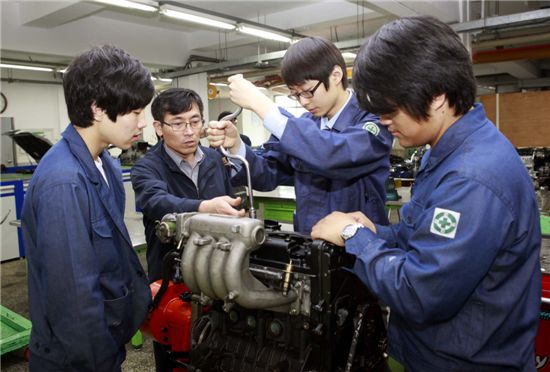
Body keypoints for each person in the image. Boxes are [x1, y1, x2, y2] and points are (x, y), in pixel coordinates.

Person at [312, 16, 541, 371]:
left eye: (390, 110)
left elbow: (420, 293)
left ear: (436, 98)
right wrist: (376, 232)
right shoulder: (443, 151)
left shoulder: (473, 178)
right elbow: (421, 238)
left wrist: (353, 236)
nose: (384, 122)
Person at [21, 45, 154, 371]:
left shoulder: (103, 164)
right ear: (97, 109)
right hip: (79, 357)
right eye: (135, 112)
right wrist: (101, 358)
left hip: (105, 340)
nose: (144, 123)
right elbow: (72, 300)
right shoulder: (64, 182)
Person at [208, 36, 393, 234]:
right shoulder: (304, 125)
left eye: (308, 92)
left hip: (360, 251)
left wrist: (261, 105)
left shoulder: (374, 120)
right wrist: (236, 146)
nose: (303, 102)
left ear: (336, 75)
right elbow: (268, 174)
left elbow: (333, 154)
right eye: (295, 94)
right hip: (308, 242)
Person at [130, 88, 245, 371]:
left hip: (217, 276)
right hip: (172, 281)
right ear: (158, 127)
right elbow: (156, 201)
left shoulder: (216, 159)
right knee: (175, 358)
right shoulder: (147, 168)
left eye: (195, 121)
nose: (189, 131)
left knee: (221, 352)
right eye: (178, 123)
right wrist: (204, 206)